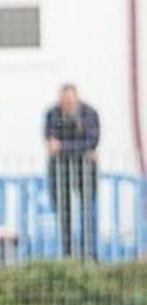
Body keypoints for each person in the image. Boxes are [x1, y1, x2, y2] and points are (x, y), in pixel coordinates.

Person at [44, 84, 101, 259]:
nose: (67, 105)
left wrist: (64, 147)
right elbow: (51, 140)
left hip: (84, 170)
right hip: (60, 171)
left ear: (77, 99)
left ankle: (89, 254)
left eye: (70, 101)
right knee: (64, 212)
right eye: (64, 102)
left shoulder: (89, 113)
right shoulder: (52, 114)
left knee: (88, 212)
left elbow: (91, 141)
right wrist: (78, 148)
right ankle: (67, 255)